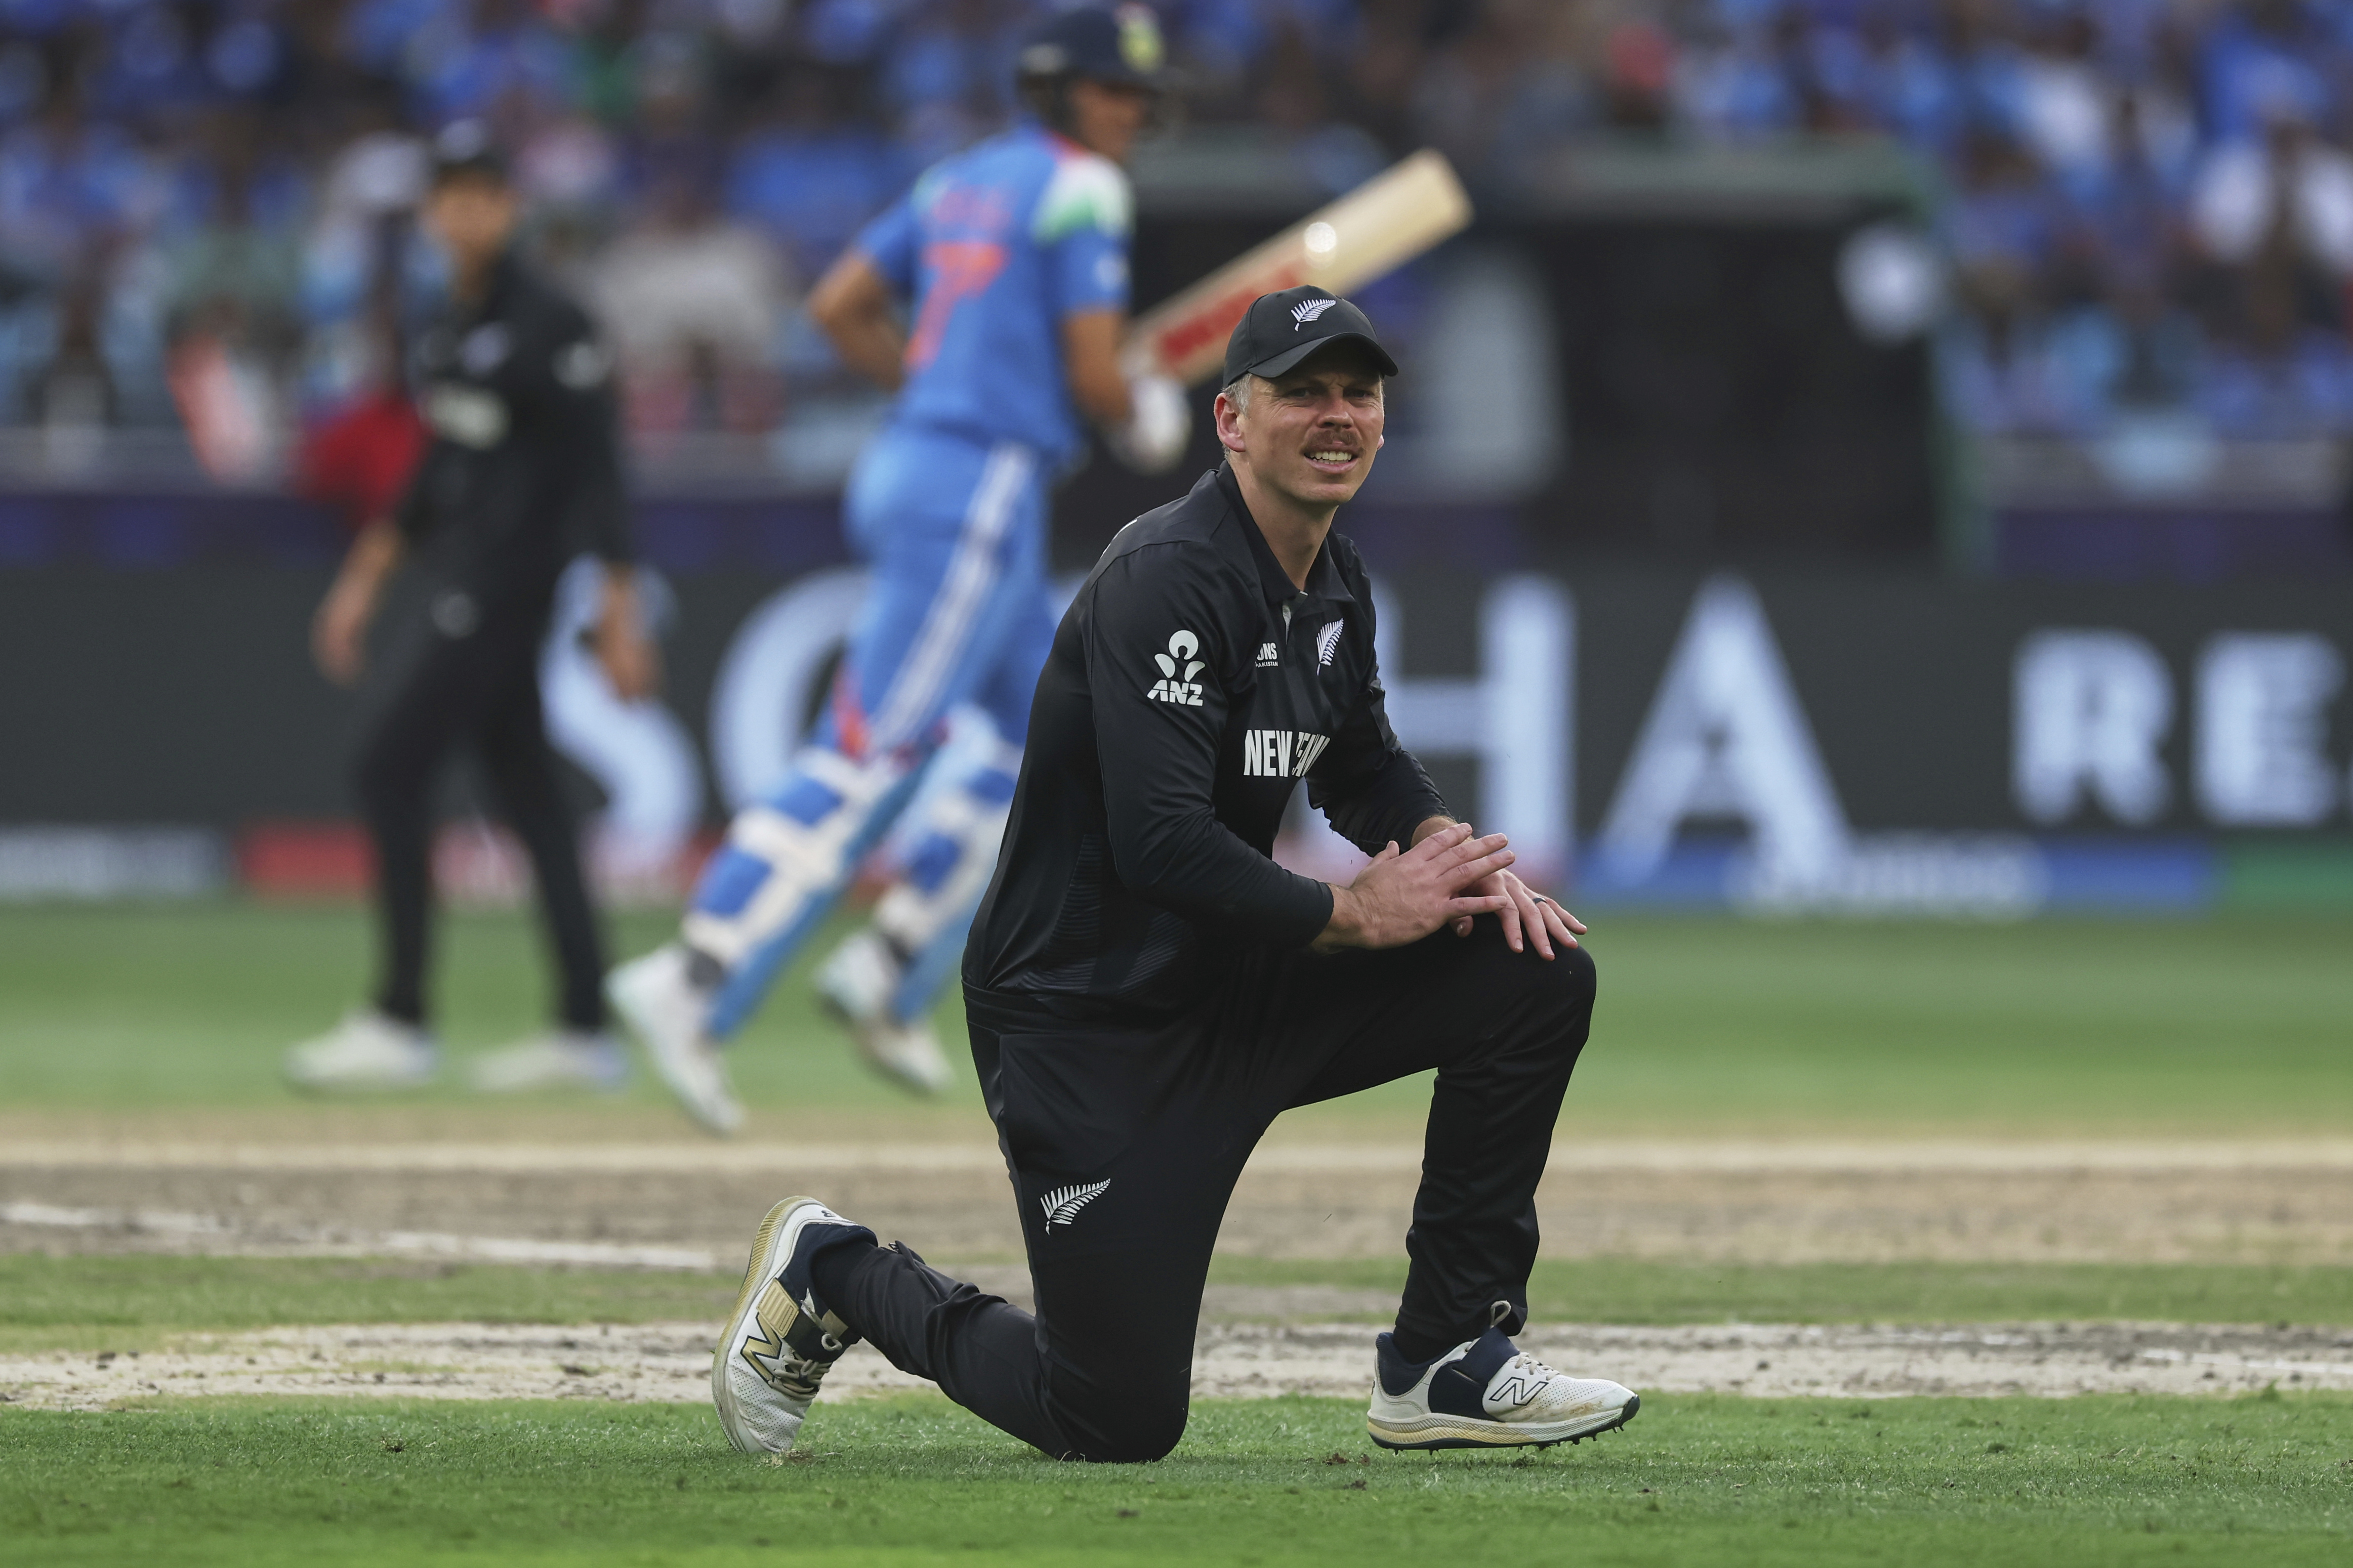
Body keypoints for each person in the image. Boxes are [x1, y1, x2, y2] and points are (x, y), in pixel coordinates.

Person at [703, 287, 1639, 1463]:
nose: (1337, 414)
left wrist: (1452, 861)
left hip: (1232, 985)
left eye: (1359, 392)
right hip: (1086, 1024)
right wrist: (1356, 910)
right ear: (1232, 420)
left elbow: (1361, 768)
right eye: (1304, 391)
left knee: (1530, 965)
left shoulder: (1331, 581)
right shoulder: (1166, 576)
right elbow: (1162, 843)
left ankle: (1448, 1356)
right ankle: (835, 1270)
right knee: (1112, 1418)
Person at [606, 5, 1191, 1132]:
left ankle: (893, 960)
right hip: (978, 486)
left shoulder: (960, 180)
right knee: (871, 749)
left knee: (1057, 735)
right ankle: (696, 972)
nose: (1132, 114)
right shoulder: (1083, 188)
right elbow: (1094, 369)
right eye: (1117, 92)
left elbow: (839, 305)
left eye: (1140, 99)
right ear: (1065, 90)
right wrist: (1143, 415)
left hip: (932, 468)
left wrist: (934, 394)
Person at [282, 122, 657, 1095]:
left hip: (507, 587)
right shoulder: (446, 322)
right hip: (460, 573)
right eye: (446, 195)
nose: (461, 211)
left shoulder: (553, 320)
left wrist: (619, 609)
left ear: (509, 206)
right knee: (529, 796)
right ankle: (585, 1028)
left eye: (479, 193)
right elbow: (436, 467)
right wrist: (365, 577)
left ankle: (399, 1018)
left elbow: (600, 469)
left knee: (386, 770)